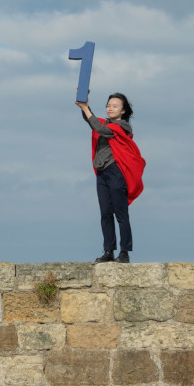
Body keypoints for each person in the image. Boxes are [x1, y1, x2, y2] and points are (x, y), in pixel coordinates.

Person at [75, 92, 144, 263]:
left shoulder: (122, 126)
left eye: (115, 105)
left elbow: (100, 129)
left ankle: (125, 252)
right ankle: (108, 251)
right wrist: (84, 102)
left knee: (121, 214)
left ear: (123, 111)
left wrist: (85, 109)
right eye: (108, 105)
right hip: (102, 172)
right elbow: (91, 121)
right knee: (105, 213)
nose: (110, 108)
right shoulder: (104, 123)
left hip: (116, 172)